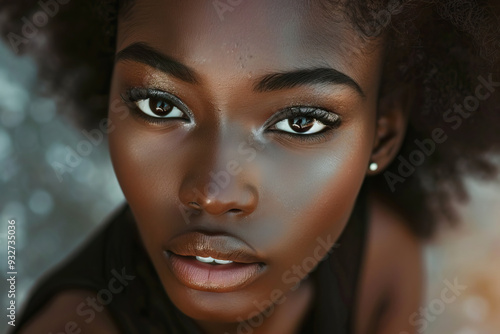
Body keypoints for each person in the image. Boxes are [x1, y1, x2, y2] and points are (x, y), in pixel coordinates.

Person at [2, 0, 499, 333]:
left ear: (384, 133)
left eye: (301, 122)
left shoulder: (379, 267)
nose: (213, 192)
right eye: (160, 105)